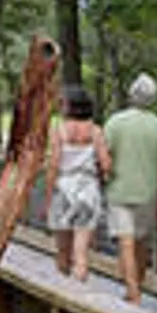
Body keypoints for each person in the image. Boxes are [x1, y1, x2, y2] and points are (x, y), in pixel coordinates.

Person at [103, 72, 157, 305]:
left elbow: (104, 157)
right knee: (141, 243)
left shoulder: (115, 122)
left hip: (119, 191)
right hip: (148, 194)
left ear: (131, 95)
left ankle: (132, 291)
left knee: (126, 241)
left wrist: (103, 176)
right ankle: (136, 287)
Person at [43, 84, 110, 283]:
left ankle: (63, 295)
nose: (60, 107)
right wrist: (100, 175)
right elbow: (106, 164)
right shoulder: (96, 131)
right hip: (88, 190)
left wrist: (47, 199)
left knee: (62, 252)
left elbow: (54, 165)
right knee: (81, 254)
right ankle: (79, 292)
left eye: (63, 103)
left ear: (71, 106)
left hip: (64, 189)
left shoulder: (59, 131)